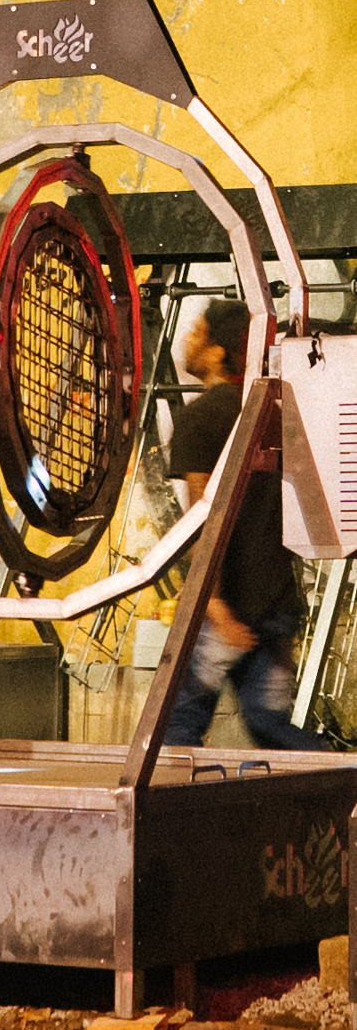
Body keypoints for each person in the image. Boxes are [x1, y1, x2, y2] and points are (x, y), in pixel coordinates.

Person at [162, 298, 329, 750]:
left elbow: (206, 519)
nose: (187, 341)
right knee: (268, 724)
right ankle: (342, 781)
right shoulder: (273, 412)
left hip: (226, 608)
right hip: (275, 604)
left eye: (197, 332)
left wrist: (212, 603)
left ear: (218, 351)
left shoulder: (200, 417)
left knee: (176, 728)